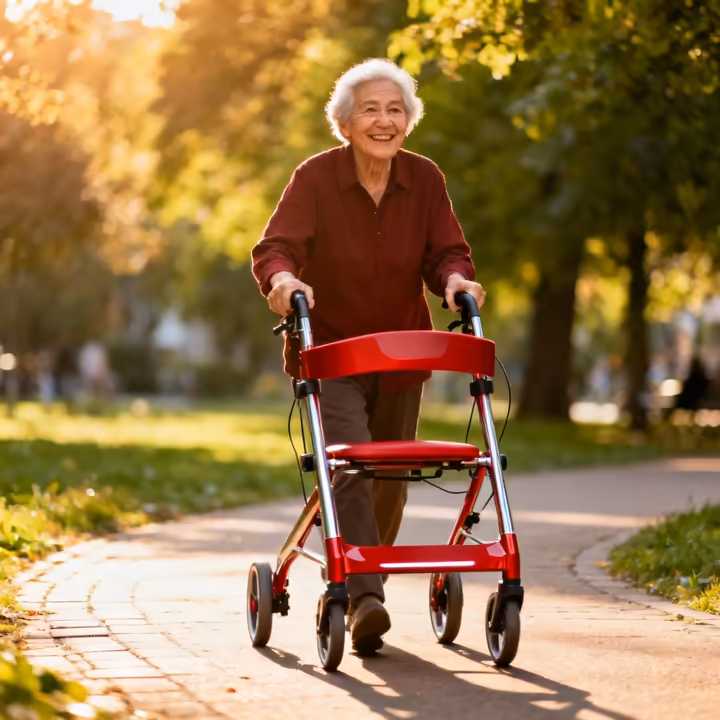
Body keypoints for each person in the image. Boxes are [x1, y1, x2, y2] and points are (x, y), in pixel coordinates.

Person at [251, 59, 485, 655]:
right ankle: (363, 597)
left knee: (391, 474)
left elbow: (447, 252)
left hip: (404, 351)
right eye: (371, 110)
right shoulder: (316, 178)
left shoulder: (425, 179)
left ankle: (364, 582)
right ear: (346, 122)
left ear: (408, 120)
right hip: (331, 352)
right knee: (352, 464)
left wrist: (458, 281)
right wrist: (283, 281)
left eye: (395, 109)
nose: (384, 120)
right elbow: (275, 248)